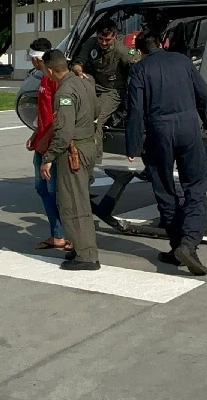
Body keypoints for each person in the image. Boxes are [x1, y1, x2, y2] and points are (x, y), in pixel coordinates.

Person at [124, 30, 207, 276]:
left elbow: (134, 110)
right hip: (188, 127)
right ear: (161, 44)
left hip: (159, 131)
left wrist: (132, 145)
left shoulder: (140, 70)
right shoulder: (183, 61)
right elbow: (204, 95)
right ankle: (188, 244)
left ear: (141, 50)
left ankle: (179, 246)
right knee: (196, 185)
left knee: (165, 188)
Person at [38, 49, 101, 270]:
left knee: (73, 204)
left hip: (73, 151)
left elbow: (64, 132)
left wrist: (49, 157)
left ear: (49, 69)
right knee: (80, 200)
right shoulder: (86, 82)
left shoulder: (64, 91)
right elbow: (97, 111)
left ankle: (87, 256)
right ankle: (81, 248)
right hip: (88, 147)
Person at [71, 18, 138, 163]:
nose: (103, 43)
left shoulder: (121, 51)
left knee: (95, 120)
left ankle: (93, 161)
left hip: (112, 91)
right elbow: (79, 61)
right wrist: (78, 70)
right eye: (101, 39)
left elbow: (136, 65)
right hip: (94, 87)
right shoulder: (91, 44)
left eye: (107, 39)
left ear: (114, 36)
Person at [26, 38, 68, 251]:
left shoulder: (52, 79)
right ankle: (57, 234)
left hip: (52, 144)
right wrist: (36, 134)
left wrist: (44, 139)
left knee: (54, 190)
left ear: (35, 59)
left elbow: (58, 115)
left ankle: (63, 234)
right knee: (41, 188)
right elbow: (45, 114)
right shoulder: (43, 78)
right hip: (42, 140)